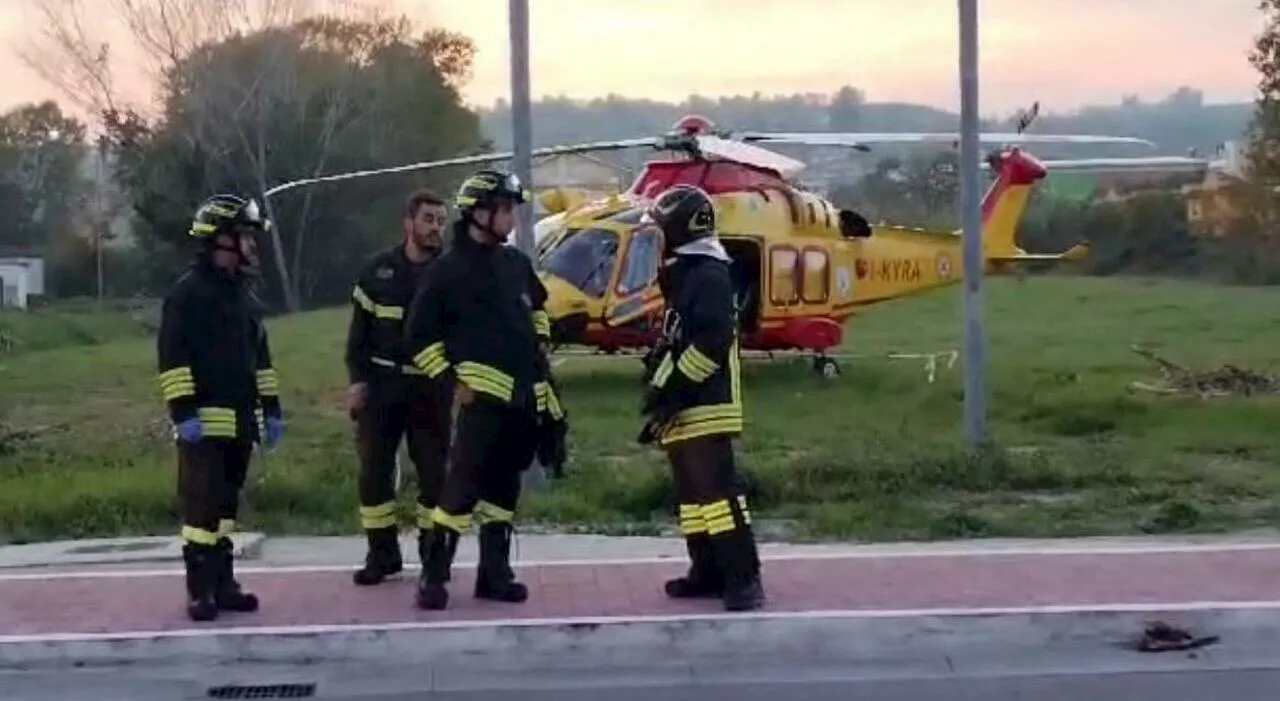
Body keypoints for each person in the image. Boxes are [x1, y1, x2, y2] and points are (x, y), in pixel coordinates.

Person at [403, 168, 567, 611]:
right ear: (479, 213)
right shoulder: (447, 271)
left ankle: (494, 576)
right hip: (481, 404)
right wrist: (453, 382)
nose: (512, 217)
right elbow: (418, 338)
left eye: (513, 208)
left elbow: (536, 308)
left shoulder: (514, 263)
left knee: (503, 493)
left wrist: (541, 343)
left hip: (522, 397)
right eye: (505, 209)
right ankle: (433, 579)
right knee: (459, 493)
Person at [156, 193, 285, 622]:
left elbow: (260, 358)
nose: (252, 246)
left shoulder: (244, 296)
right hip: (204, 424)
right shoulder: (188, 295)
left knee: (227, 510)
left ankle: (224, 583)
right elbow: (173, 358)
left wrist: (272, 407)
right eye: (245, 237)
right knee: (201, 511)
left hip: (241, 421)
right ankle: (200, 591)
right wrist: (183, 413)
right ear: (220, 240)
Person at [637, 184, 764, 612]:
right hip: (687, 402)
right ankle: (706, 572)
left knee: (719, 495)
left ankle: (743, 580)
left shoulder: (707, 273)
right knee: (693, 499)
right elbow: (681, 338)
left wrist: (673, 392)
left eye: (659, 229)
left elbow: (711, 341)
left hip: (707, 403)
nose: (654, 238)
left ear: (679, 229)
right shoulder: (687, 273)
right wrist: (660, 389)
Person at [345, 189, 455, 586]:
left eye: (441, 221)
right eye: (428, 219)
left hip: (432, 389)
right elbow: (358, 336)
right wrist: (357, 381)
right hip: (382, 387)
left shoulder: (449, 273)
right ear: (408, 222)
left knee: (434, 475)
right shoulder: (377, 273)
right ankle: (382, 554)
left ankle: (432, 555)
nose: (435, 228)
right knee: (374, 472)